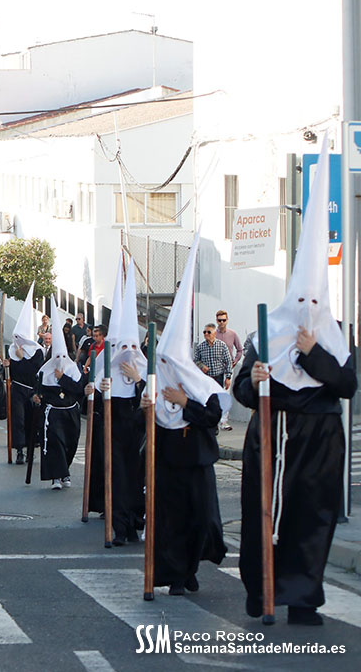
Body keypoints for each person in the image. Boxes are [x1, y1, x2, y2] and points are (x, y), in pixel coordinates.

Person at [234, 149, 357, 626]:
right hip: (272, 433)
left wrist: (311, 353)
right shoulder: (267, 333)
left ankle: (304, 598)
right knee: (261, 515)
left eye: (315, 301)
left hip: (321, 439)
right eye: (300, 299)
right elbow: (242, 388)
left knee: (312, 518)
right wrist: (254, 380)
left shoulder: (336, 337)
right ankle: (262, 591)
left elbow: (347, 385)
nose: (306, 309)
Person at [142, 231, 227, 595]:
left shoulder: (201, 384)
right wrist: (146, 408)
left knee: (202, 520)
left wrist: (184, 401)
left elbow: (211, 417)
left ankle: (191, 565)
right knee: (172, 521)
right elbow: (148, 423)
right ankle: (177, 575)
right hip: (168, 463)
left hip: (197, 462)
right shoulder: (158, 385)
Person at [85, 259, 147, 544]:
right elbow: (91, 398)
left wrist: (138, 380)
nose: (129, 351)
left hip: (139, 434)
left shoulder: (143, 369)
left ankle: (135, 522)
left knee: (137, 480)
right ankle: (120, 527)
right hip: (115, 431)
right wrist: (97, 391)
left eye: (133, 346)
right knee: (118, 478)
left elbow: (153, 399)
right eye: (124, 346)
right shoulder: (106, 368)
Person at [35, 299, 84, 490]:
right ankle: (57, 476)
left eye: (63, 357)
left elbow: (78, 389)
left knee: (70, 443)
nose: (60, 360)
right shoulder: (45, 371)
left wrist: (63, 378)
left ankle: (65, 471)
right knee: (55, 443)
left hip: (70, 412)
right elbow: (38, 390)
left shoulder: (72, 370)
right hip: (53, 413)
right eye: (57, 357)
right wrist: (36, 397)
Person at [5, 285, 44, 467]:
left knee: (31, 421)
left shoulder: (38, 352)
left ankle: (30, 450)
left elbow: (33, 370)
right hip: (17, 389)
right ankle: (19, 450)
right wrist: (8, 366)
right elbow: (13, 373)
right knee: (18, 420)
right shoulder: (12, 350)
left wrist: (21, 359)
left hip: (32, 390)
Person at [213, 310, 243, 431]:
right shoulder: (213, 334)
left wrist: (235, 360)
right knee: (215, 393)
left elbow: (240, 349)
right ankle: (215, 420)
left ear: (227, 320)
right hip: (215, 369)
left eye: (223, 320)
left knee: (226, 393)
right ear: (216, 321)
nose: (221, 323)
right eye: (219, 320)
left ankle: (224, 421)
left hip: (228, 368)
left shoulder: (232, 334)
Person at [193, 323, 232, 391]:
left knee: (218, 396)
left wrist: (228, 378)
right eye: (204, 332)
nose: (206, 334)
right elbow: (195, 360)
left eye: (209, 332)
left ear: (215, 333)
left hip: (219, 378)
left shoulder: (222, 345)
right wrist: (202, 366)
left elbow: (228, 361)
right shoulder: (200, 347)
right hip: (206, 378)